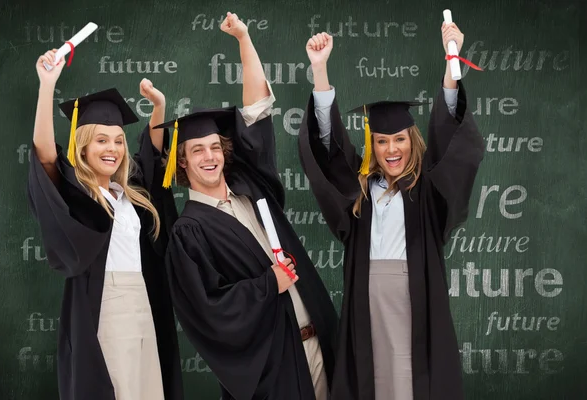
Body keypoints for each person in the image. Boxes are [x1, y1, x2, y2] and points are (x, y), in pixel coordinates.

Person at [298, 23, 485, 400]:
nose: (391, 149)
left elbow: (450, 140)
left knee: (409, 378)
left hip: (415, 295)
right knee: (375, 377)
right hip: (367, 295)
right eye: (381, 141)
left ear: (412, 139)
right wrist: (320, 70)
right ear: (373, 144)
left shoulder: (427, 190)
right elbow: (329, 153)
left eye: (399, 139)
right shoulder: (360, 189)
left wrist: (452, 59)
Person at [160, 12, 338, 400]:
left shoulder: (251, 189)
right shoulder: (188, 233)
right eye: (196, 150)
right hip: (274, 365)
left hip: (321, 346)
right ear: (182, 162)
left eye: (214, 147)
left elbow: (256, 111)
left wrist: (244, 39)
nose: (209, 157)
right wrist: (266, 285)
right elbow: (206, 311)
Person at [28, 49, 183, 400]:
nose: (112, 149)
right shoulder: (76, 193)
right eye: (101, 140)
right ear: (82, 147)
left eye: (117, 141)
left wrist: (159, 107)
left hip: (143, 301)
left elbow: (153, 157)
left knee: (146, 388)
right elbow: (45, 157)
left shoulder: (128, 192)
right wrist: (47, 86)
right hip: (104, 306)